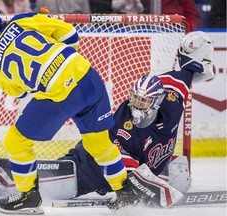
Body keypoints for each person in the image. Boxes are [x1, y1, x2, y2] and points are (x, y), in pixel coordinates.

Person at [0, 4, 137, 215]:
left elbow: (20, 93)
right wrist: (61, 63)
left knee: (16, 140)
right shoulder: (21, 20)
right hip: (87, 76)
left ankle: (28, 195)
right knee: (98, 142)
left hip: (60, 93)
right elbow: (70, 33)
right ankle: (124, 191)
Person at [60, 31, 214, 206]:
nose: (137, 105)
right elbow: (127, 174)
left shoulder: (174, 99)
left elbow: (188, 70)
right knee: (60, 177)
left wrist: (199, 48)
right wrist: (132, 194)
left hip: (128, 166)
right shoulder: (125, 126)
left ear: (157, 102)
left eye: (143, 101)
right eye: (135, 99)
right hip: (94, 168)